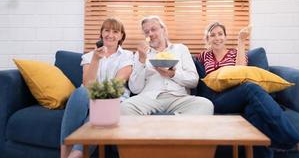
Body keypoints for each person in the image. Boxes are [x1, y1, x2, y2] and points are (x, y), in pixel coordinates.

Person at [197, 22, 299, 158]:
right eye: (213, 35)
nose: (217, 38)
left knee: (255, 113)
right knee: (251, 87)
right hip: (220, 99)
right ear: (208, 39)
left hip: (241, 96)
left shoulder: (235, 53)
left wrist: (241, 41)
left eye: (220, 34)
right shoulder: (204, 56)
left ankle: (280, 141)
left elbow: (240, 69)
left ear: (226, 37)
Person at [60, 18, 133, 158]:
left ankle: (75, 154)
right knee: (81, 91)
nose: (110, 34)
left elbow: (116, 85)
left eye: (115, 31)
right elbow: (88, 84)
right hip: (87, 98)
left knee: (98, 115)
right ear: (101, 33)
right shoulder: (89, 56)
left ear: (121, 36)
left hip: (113, 99)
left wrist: (98, 101)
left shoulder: (128, 56)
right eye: (106, 30)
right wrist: (95, 59)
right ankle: (64, 155)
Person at [121, 15, 213, 115]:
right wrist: (141, 61)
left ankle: (166, 124)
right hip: (150, 98)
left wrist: (172, 74)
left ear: (163, 30)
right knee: (125, 107)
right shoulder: (140, 54)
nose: (150, 34)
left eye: (153, 29)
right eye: (146, 32)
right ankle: (176, 123)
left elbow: (193, 81)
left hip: (178, 98)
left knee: (206, 105)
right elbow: (135, 88)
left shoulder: (181, 49)